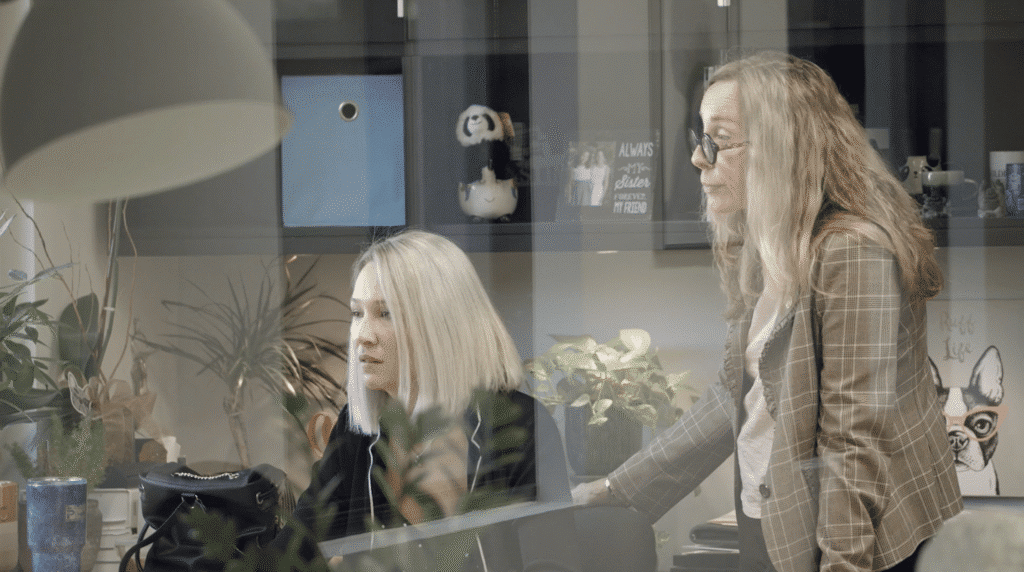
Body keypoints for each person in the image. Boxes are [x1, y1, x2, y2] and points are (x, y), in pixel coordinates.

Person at [573, 51, 962, 572]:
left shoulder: (854, 251)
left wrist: (843, 565)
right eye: (700, 137)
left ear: (783, 149)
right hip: (776, 520)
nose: (698, 158)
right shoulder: (769, 242)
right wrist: (615, 491)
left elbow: (853, 438)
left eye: (720, 141)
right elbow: (734, 396)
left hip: (855, 536)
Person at [270, 229, 570, 568]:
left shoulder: (519, 425)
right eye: (357, 314)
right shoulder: (355, 434)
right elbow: (287, 557)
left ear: (441, 325)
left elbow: (551, 564)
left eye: (385, 314)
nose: (362, 337)